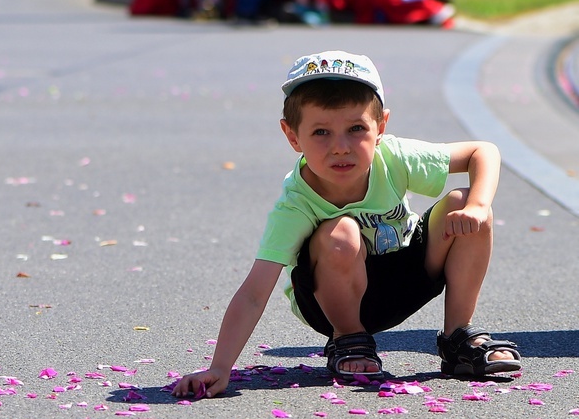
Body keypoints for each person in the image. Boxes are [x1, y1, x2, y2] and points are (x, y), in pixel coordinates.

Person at [173, 50, 521, 399]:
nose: (341, 147)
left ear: (381, 126)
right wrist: (220, 367)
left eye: (356, 129)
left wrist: (478, 205)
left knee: (465, 206)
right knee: (342, 231)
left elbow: (483, 152)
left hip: (404, 280)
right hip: (330, 302)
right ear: (293, 136)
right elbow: (253, 293)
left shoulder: (394, 157)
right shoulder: (296, 203)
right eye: (321, 132)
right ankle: (348, 339)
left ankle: (457, 338)